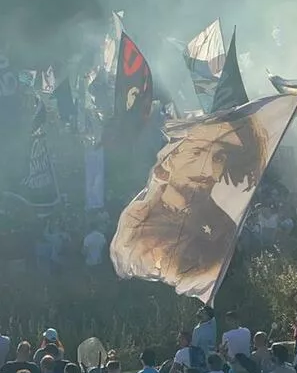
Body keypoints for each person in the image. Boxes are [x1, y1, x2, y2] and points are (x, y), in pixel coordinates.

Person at [112, 113, 273, 299]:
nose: (206, 170)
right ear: (172, 157)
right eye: (196, 152)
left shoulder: (222, 231)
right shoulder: (137, 218)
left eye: (219, 158)